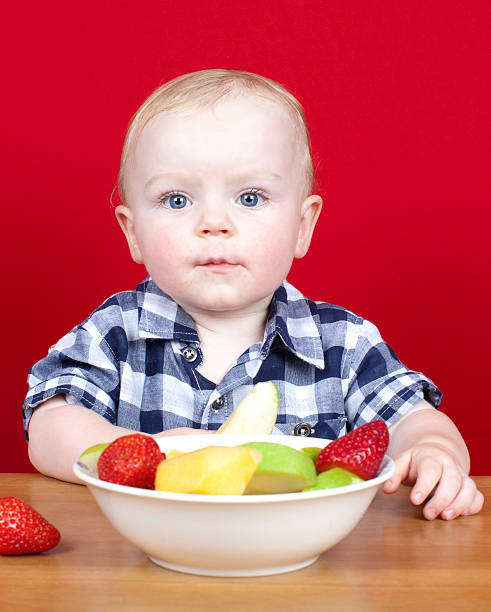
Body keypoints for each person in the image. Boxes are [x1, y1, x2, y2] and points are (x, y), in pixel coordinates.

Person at [24, 69, 483, 519]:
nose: (214, 223)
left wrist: (433, 452)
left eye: (249, 198)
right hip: (146, 570)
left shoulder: (345, 342)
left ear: (302, 227)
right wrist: (148, 454)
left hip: (304, 573)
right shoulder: (114, 331)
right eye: (177, 200)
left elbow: (411, 418)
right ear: (133, 233)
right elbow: (49, 424)